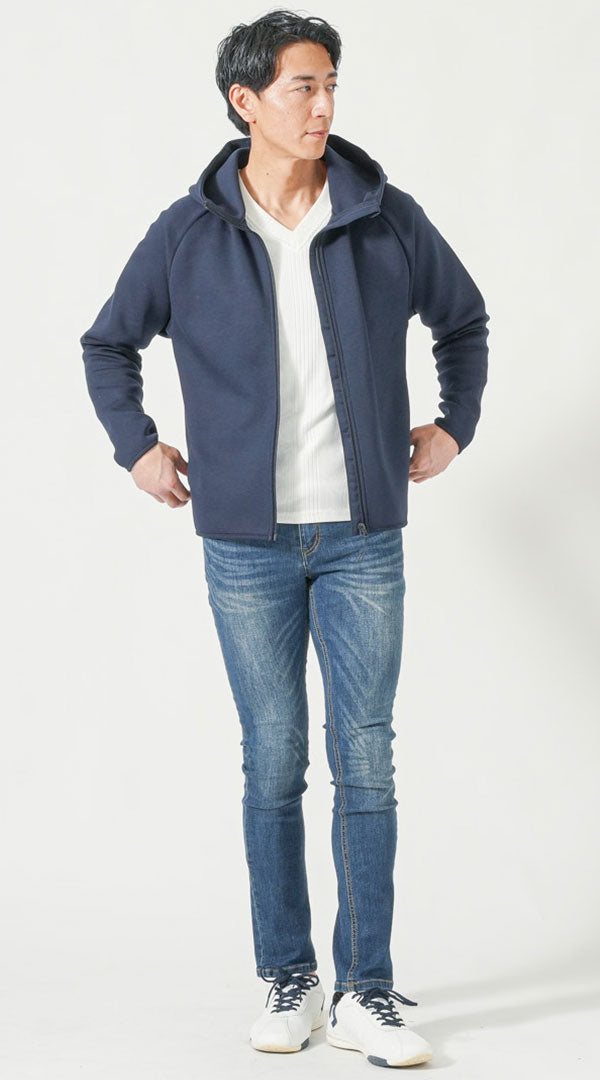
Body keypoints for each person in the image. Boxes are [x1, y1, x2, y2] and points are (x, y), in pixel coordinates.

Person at [80, 9, 489, 1068]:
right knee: (272, 761)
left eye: (332, 83)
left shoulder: (383, 217)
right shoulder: (190, 232)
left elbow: (464, 319)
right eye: (303, 85)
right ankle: (290, 978)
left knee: (366, 761)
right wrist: (137, 448)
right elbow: (109, 343)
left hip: (363, 534)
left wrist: (454, 425)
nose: (324, 104)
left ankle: (368, 991)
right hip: (246, 543)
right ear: (245, 100)